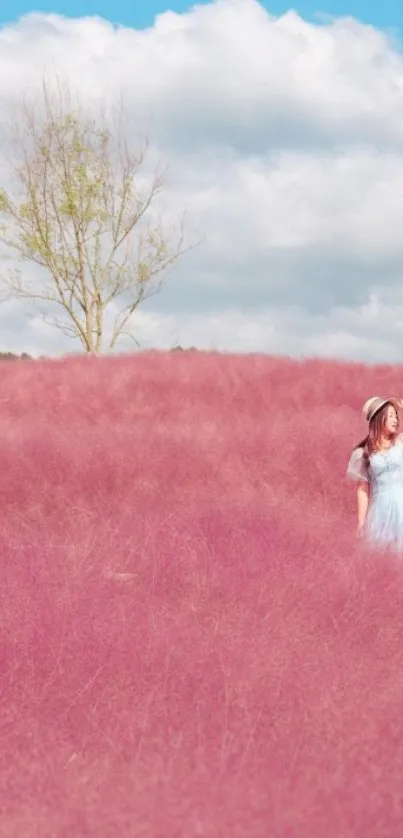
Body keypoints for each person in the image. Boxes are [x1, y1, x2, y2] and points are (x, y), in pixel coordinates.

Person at [346, 396, 403, 550]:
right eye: (390, 416)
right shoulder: (363, 453)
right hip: (381, 512)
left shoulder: (400, 442)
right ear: (378, 419)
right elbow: (363, 489)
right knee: (384, 556)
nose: (395, 419)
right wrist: (361, 523)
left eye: (396, 416)